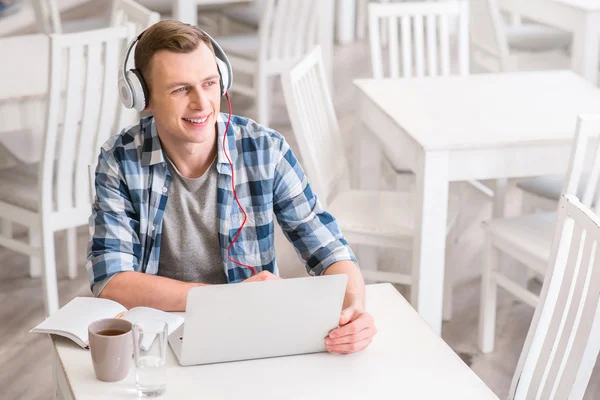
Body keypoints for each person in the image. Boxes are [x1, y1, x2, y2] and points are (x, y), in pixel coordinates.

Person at [86, 20, 376, 354]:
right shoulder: (119, 159)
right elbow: (112, 280)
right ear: (143, 98)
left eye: (209, 84)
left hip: (250, 333)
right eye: (180, 89)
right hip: (160, 338)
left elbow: (329, 249)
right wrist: (223, 298)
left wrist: (355, 310)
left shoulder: (266, 149)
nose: (202, 103)